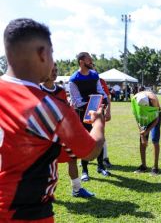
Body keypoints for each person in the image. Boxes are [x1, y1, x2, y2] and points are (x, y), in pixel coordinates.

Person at [0, 18, 105, 222]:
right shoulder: (48, 108)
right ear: (42, 53)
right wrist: (98, 122)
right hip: (24, 214)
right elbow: (90, 150)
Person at [40, 63, 94, 198]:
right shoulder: (37, 90)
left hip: (62, 133)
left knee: (72, 158)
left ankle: (77, 189)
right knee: (44, 165)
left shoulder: (61, 91)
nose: (54, 72)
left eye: (56, 70)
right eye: (51, 70)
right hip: (45, 135)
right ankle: (44, 193)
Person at [69, 52, 111, 181]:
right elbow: (76, 100)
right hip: (83, 113)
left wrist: (104, 100)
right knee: (85, 140)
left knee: (100, 138)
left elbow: (100, 91)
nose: (91, 61)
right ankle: (85, 170)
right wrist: (91, 103)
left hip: (98, 111)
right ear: (81, 61)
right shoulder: (74, 79)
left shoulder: (94, 75)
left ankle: (101, 166)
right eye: (89, 60)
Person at [131, 90, 161, 175]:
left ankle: (155, 167)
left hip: (155, 115)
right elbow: (137, 118)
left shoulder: (153, 100)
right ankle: (143, 166)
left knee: (155, 139)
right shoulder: (134, 100)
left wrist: (147, 131)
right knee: (142, 141)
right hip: (143, 114)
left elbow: (156, 119)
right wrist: (142, 135)